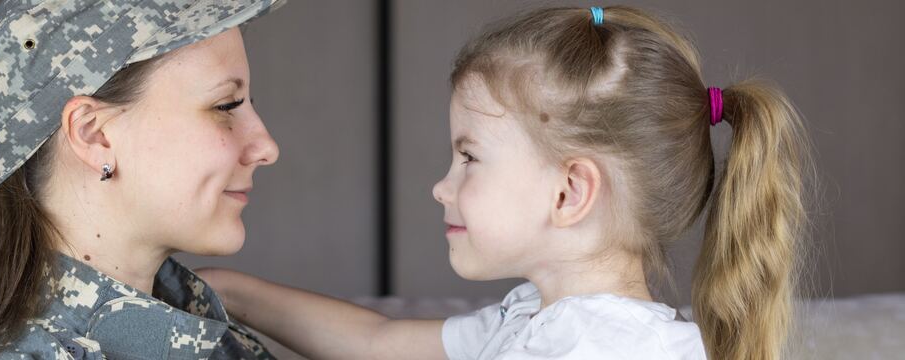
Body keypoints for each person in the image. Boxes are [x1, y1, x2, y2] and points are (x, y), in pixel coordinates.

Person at [198, 6, 812, 360]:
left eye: (469, 157)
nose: (442, 187)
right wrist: (233, 291)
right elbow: (378, 342)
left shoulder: (611, 351)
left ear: (569, 194)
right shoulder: (539, 321)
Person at [0, 0, 287, 358]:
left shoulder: (190, 325)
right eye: (226, 106)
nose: (266, 147)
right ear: (93, 135)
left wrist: (234, 293)